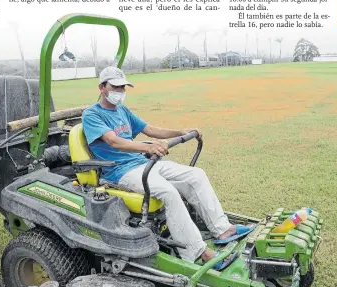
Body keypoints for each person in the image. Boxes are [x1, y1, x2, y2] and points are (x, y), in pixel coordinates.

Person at [82, 66, 254, 270]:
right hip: (120, 172)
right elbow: (114, 142)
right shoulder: (91, 115)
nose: (120, 92)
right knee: (169, 192)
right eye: (115, 87)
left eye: (123, 88)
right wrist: (148, 146)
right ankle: (198, 252)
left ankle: (222, 229)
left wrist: (180, 132)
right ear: (102, 87)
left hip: (142, 163)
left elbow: (151, 129)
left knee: (195, 175)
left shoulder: (122, 111)